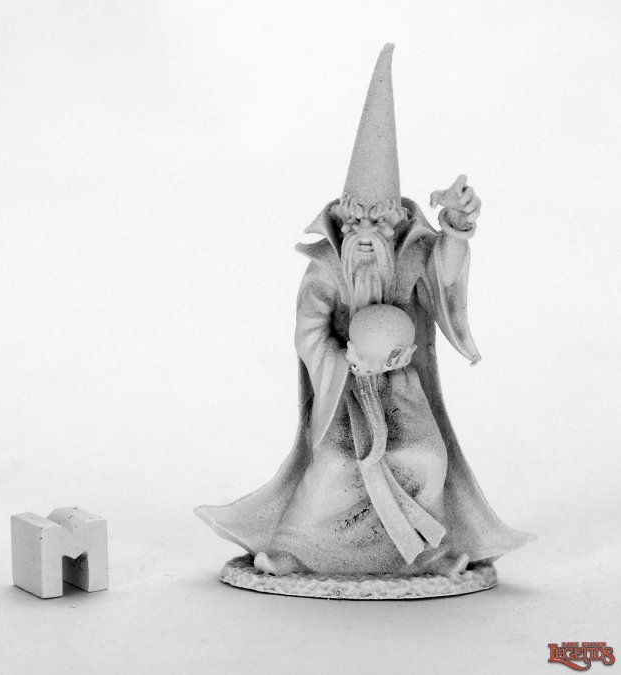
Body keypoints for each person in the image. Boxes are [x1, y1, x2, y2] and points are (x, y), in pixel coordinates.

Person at [196, 44, 533, 578]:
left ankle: (427, 552)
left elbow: (445, 274)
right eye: (356, 225)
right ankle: (298, 548)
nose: (367, 237)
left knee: (426, 460)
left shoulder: (410, 259)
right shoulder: (327, 272)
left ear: (397, 225)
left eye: (380, 226)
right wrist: (347, 360)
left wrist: (456, 228)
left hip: (402, 389)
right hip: (346, 392)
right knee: (334, 466)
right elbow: (309, 333)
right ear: (340, 226)